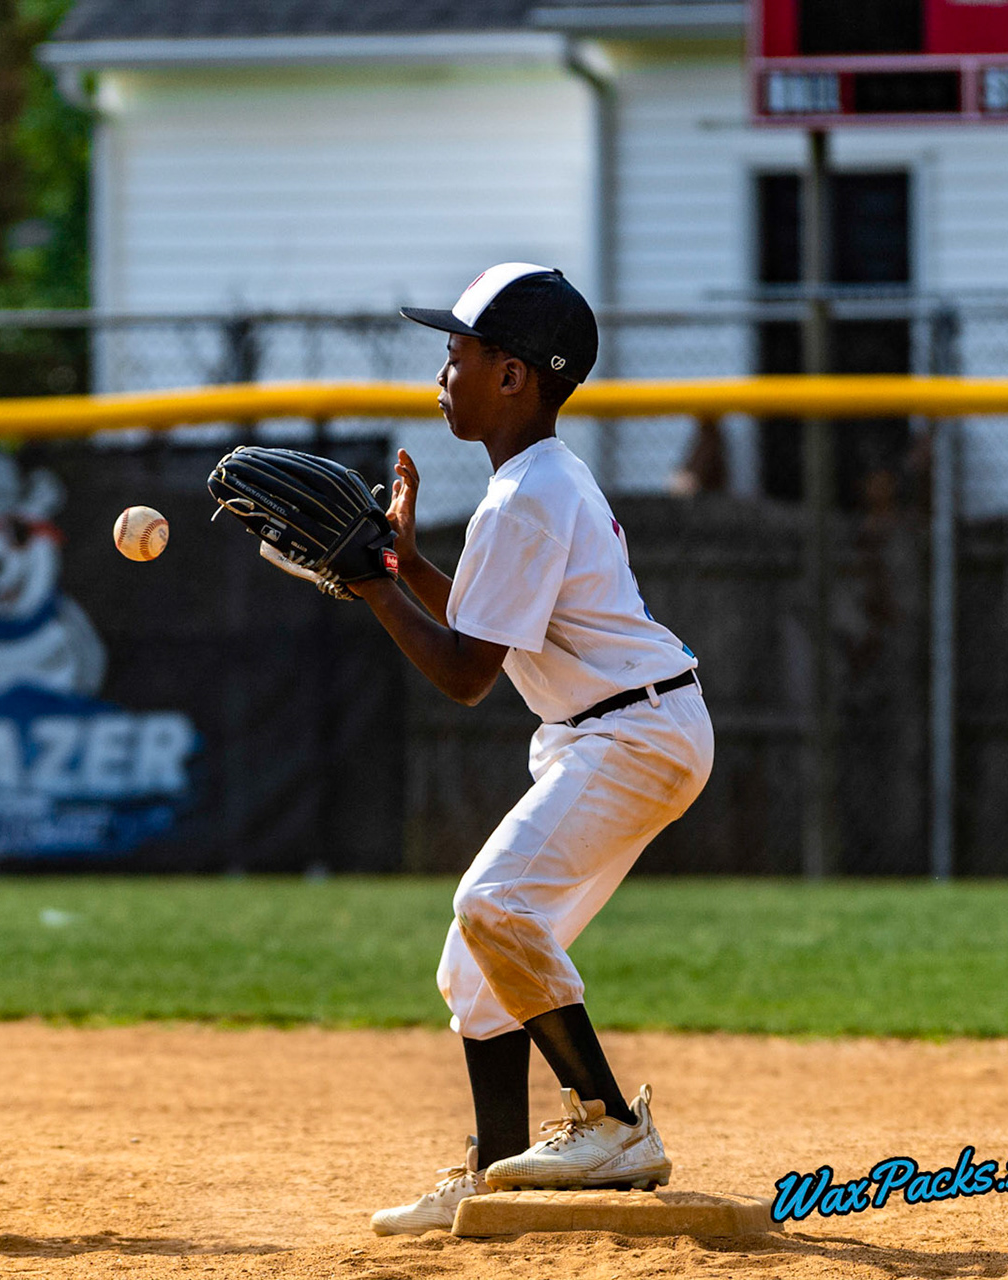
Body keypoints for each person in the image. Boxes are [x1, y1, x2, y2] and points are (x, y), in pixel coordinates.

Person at [360, 266, 713, 1234]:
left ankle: (608, 1120)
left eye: (459, 353)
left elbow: (468, 673)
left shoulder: (523, 497)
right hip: (622, 727)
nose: (442, 371)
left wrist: (371, 588)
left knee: (493, 902)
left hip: (632, 731)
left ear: (513, 375)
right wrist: (397, 568)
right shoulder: (537, 480)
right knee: (477, 962)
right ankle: (493, 1175)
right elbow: (490, 623)